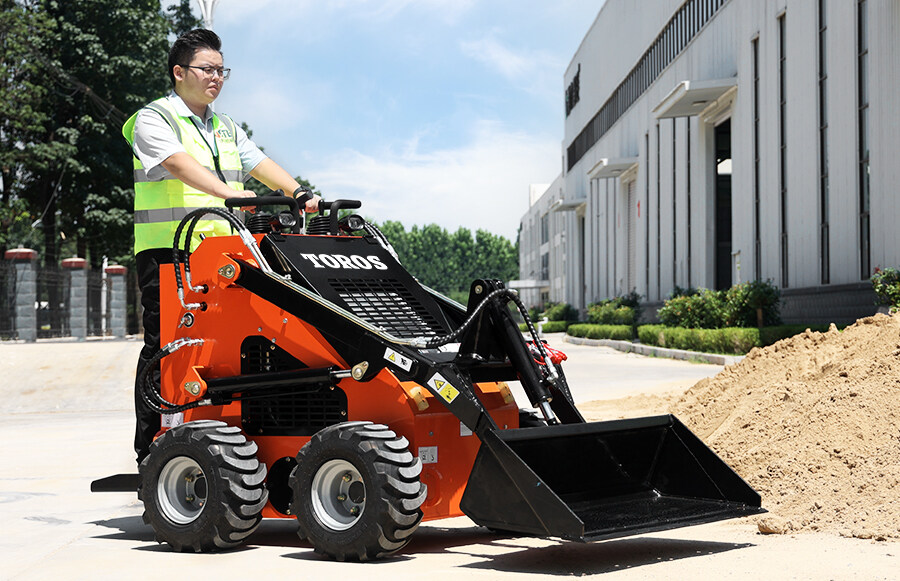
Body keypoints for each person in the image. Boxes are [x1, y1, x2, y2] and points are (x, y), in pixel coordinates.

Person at [123, 29, 320, 465]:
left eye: (221, 70)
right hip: (170, 253)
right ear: (179, 72)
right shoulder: (154, 119)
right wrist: (229, 195)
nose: (216, 77)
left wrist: (299, 191)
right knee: (169, 347)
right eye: (207, 69)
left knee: (230, 346)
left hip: (227, 254)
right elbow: (177, 164)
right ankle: (151, 451)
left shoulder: (226, 126)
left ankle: (218, 439)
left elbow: (259, 163)